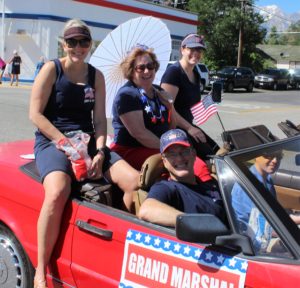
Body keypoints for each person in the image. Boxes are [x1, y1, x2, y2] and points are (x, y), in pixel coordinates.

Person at [29, 19, 139, 288]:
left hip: (88, 140)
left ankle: (118, 251)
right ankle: (41, 271)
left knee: (134, 181)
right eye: (72, 42)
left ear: (90, 44)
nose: (78, 47)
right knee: (57, 192)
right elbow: (35, 115)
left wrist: (100, 151)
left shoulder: (95, 75)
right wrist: (65, 143)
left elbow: (100, 121)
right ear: (63, 44)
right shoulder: (51, 69)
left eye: (84, 41)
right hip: (53, 140)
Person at [110, 45, 212, 182]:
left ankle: (209, 193)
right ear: (131, 70)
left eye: (150, 66)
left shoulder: (158, 91)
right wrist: (170, 149)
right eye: (141, 67)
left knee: (196, 161)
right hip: (132, 149)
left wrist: (170, 106)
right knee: (194, 167)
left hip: (159, 147)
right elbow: (140, 134)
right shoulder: (127, 95)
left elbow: (171, 126)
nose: (147, 71)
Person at [138, 129, 225, 227]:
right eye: (172, 154)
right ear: (164, 161)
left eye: (184, 152)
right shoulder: (166, 188)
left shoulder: (211, 184)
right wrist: (193, 223)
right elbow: (147, 210)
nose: (179, 158)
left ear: (194, 154)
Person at [161, 33, 219, 160]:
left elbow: (191, 106)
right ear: (182, 49)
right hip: (175, 129)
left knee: (218, 151)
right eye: (191, 49)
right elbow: (167, 108)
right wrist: (190, 128)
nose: (196, 53)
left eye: (199, 50)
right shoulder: (173, 73)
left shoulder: (196, 73)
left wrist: (210, 101)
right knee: (208, 158)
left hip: (189, 126)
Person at [231, 151, 300, 251]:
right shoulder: (247, 186)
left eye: (279, 157)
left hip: (266, 230)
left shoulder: (267, 179)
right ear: (255, 157)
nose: (275, 160)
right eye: (269, 155)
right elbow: (260, 227)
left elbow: (273, 213)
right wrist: (294, 222)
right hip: (255, 242)